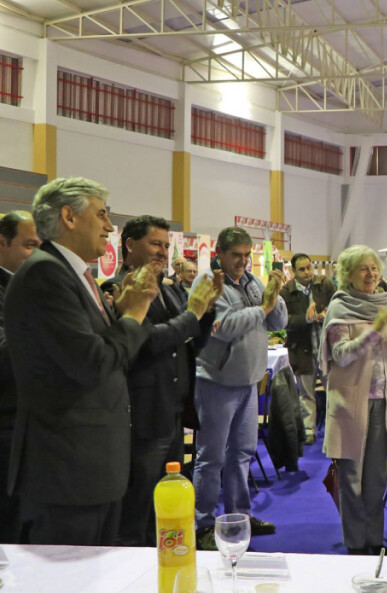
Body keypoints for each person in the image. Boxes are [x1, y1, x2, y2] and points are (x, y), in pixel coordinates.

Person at [5, 177, 158, 545]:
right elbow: (91, 362)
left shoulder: (71, 273)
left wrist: (119, 314)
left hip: (90, 465)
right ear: (68, 217)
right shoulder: (46, 273)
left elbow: (94, 347)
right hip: (67, 470)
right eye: (102, 214)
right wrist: (134, 315)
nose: (109, 226)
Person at [112, 215, 222, 547]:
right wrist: (194, 314)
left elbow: (189, 337)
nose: (162, 252)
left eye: (165, 245)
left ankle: (166, 556)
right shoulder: (121, 289)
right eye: (155, 244)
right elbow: (145, 341)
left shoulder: (168, 289)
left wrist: (208, 309)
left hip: (173, 408)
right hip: (144, 411)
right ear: (130, 245)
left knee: (168, 498)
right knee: (140, 502)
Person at [193, 227, 287, 550]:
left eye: (247, 256)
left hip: (248, 383)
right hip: (216, 383)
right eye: (236, 256)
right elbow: (225, 329)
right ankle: (202, 524)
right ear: (219, 252)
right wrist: (262, 308)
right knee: (211, 459)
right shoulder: (208, 283)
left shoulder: (251, 281)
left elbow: (278, 323)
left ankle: (240, 517)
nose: (243, 262)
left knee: (243, 455)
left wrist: (276, 294)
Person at [321, 245, 387, 554]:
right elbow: (341, 355)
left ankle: (375, 540)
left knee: (375, 478)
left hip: (382, 403)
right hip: (348, 404)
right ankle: (356, 544)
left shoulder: (386, 303)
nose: (372, 273)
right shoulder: (340, 307)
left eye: (374, 268)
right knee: (352, 480)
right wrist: (374, 331)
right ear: (348, 275)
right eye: (364, 269)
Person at [0, 210, 40, 543]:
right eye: (28, 245)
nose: (35, 254)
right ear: (2, 243)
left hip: (28, 420)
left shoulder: (25, 284)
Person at [281, 253, 335, 445]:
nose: (307, 272)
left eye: (309, 267)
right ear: (293, 271)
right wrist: (307, 318)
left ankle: (334, 429)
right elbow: (284, 321)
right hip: (301, 349)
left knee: (334, 391)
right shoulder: (286, 292)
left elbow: (337, 305)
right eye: (302, 269)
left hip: (326, 348)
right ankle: (309, 430)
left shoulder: (324, 285)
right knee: (306, 393)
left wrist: (328, 313)